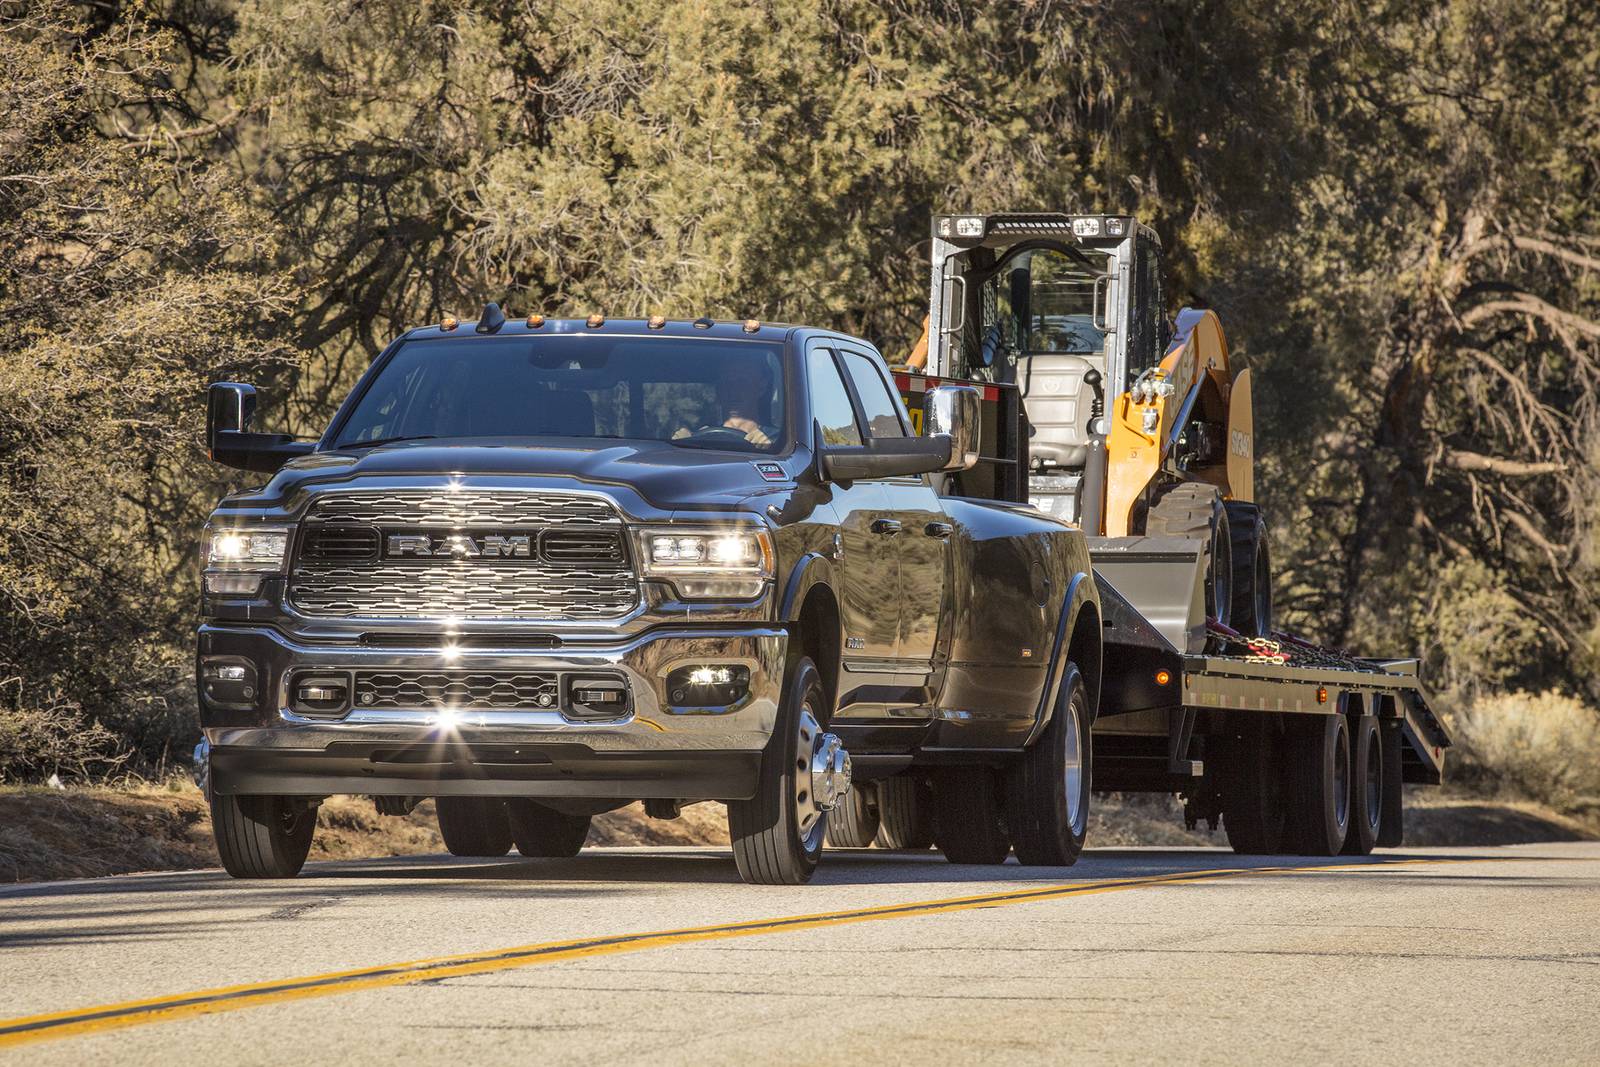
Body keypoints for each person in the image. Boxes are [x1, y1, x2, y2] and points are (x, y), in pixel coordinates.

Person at [673, 357, 778, 447]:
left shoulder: (780, 442)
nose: (733, 390)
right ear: (718, 390)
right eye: (726, 382)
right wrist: (681, 444)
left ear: (761, 388)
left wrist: (770, 450)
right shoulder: (699, 439)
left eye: (741, 382)